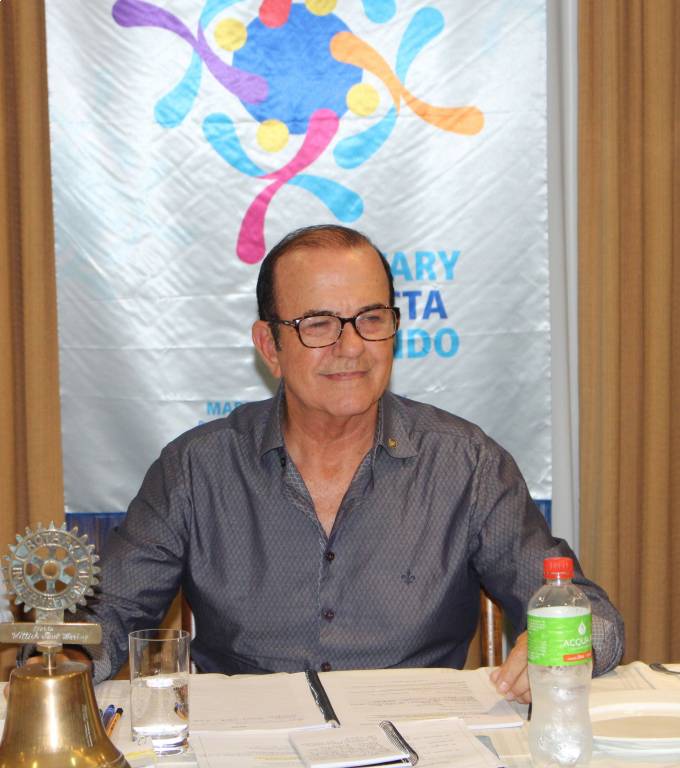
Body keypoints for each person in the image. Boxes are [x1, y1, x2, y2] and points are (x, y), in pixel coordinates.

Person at [25, 225, 623, 702]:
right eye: (318, 324)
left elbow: (590, 614)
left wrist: (565, 646)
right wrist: (62, 662)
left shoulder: (465, 464)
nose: (351, 346)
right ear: (270, 346)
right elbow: (108, 612)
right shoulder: (195, 470)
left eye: (371, 319)